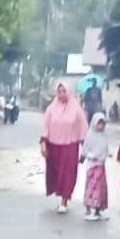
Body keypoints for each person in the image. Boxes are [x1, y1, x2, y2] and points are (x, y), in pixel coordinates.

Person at [41, 81, 89, 214]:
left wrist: (85, 150)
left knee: (68, 173)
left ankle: (64, 200)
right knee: (56, 173)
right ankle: (59, 194)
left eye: (64, 91)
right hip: (54, 146)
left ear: (69, 92)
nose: (62, 94)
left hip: (70, 147)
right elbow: (45, 127)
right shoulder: (51, 108)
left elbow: (83, 129)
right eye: (59, 91)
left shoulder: (76, 109)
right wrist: (43, 143)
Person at [81, 113, 110, 221]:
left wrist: (108, 154)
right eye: (99, 124)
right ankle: (88, 209)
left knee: (100, 188)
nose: (101, 126)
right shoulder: (89, 135)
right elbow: (85, 150)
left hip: (101, 166)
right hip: (92, 166)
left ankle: (98, 210)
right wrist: (89, 155)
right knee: (91, 187)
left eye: (103, 124)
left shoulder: (104, 136)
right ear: (94, 123)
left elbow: (106, 148)